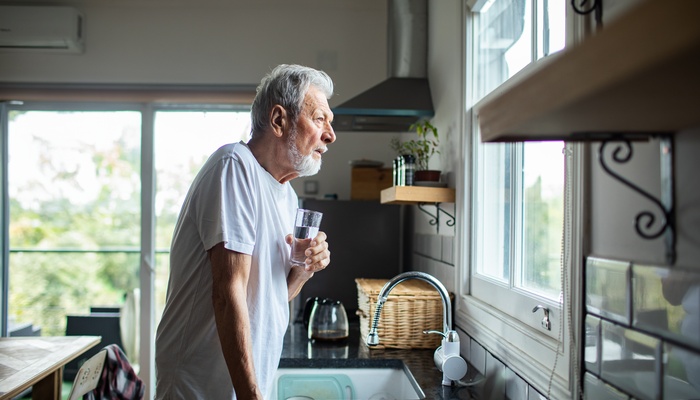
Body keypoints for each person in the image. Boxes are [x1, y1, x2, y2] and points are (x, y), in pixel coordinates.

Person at [155, 64, 335, 399]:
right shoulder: (234, 166)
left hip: (245, 385)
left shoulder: (288, 196)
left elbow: (269, 298)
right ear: (279, 120)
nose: (330, 135)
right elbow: (228, 291)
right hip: (200, 386)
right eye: (320, 119)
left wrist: (305, 269)